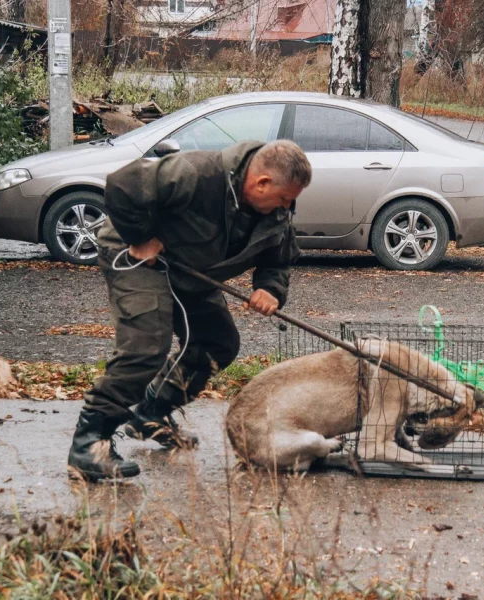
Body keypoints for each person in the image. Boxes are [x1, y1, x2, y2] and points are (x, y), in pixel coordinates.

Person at [67, 139, 312, 482]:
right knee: (147, 345)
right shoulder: (199, 172)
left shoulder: (276, 212)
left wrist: (270, 288)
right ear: (262, 183)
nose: (287, 207)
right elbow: (123, 184)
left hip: (192, 270)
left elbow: (279, 258)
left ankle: (150, 414)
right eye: (285, 198)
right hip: (138, 257)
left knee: (217, 343)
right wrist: (141, 235)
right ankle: (90, 443)